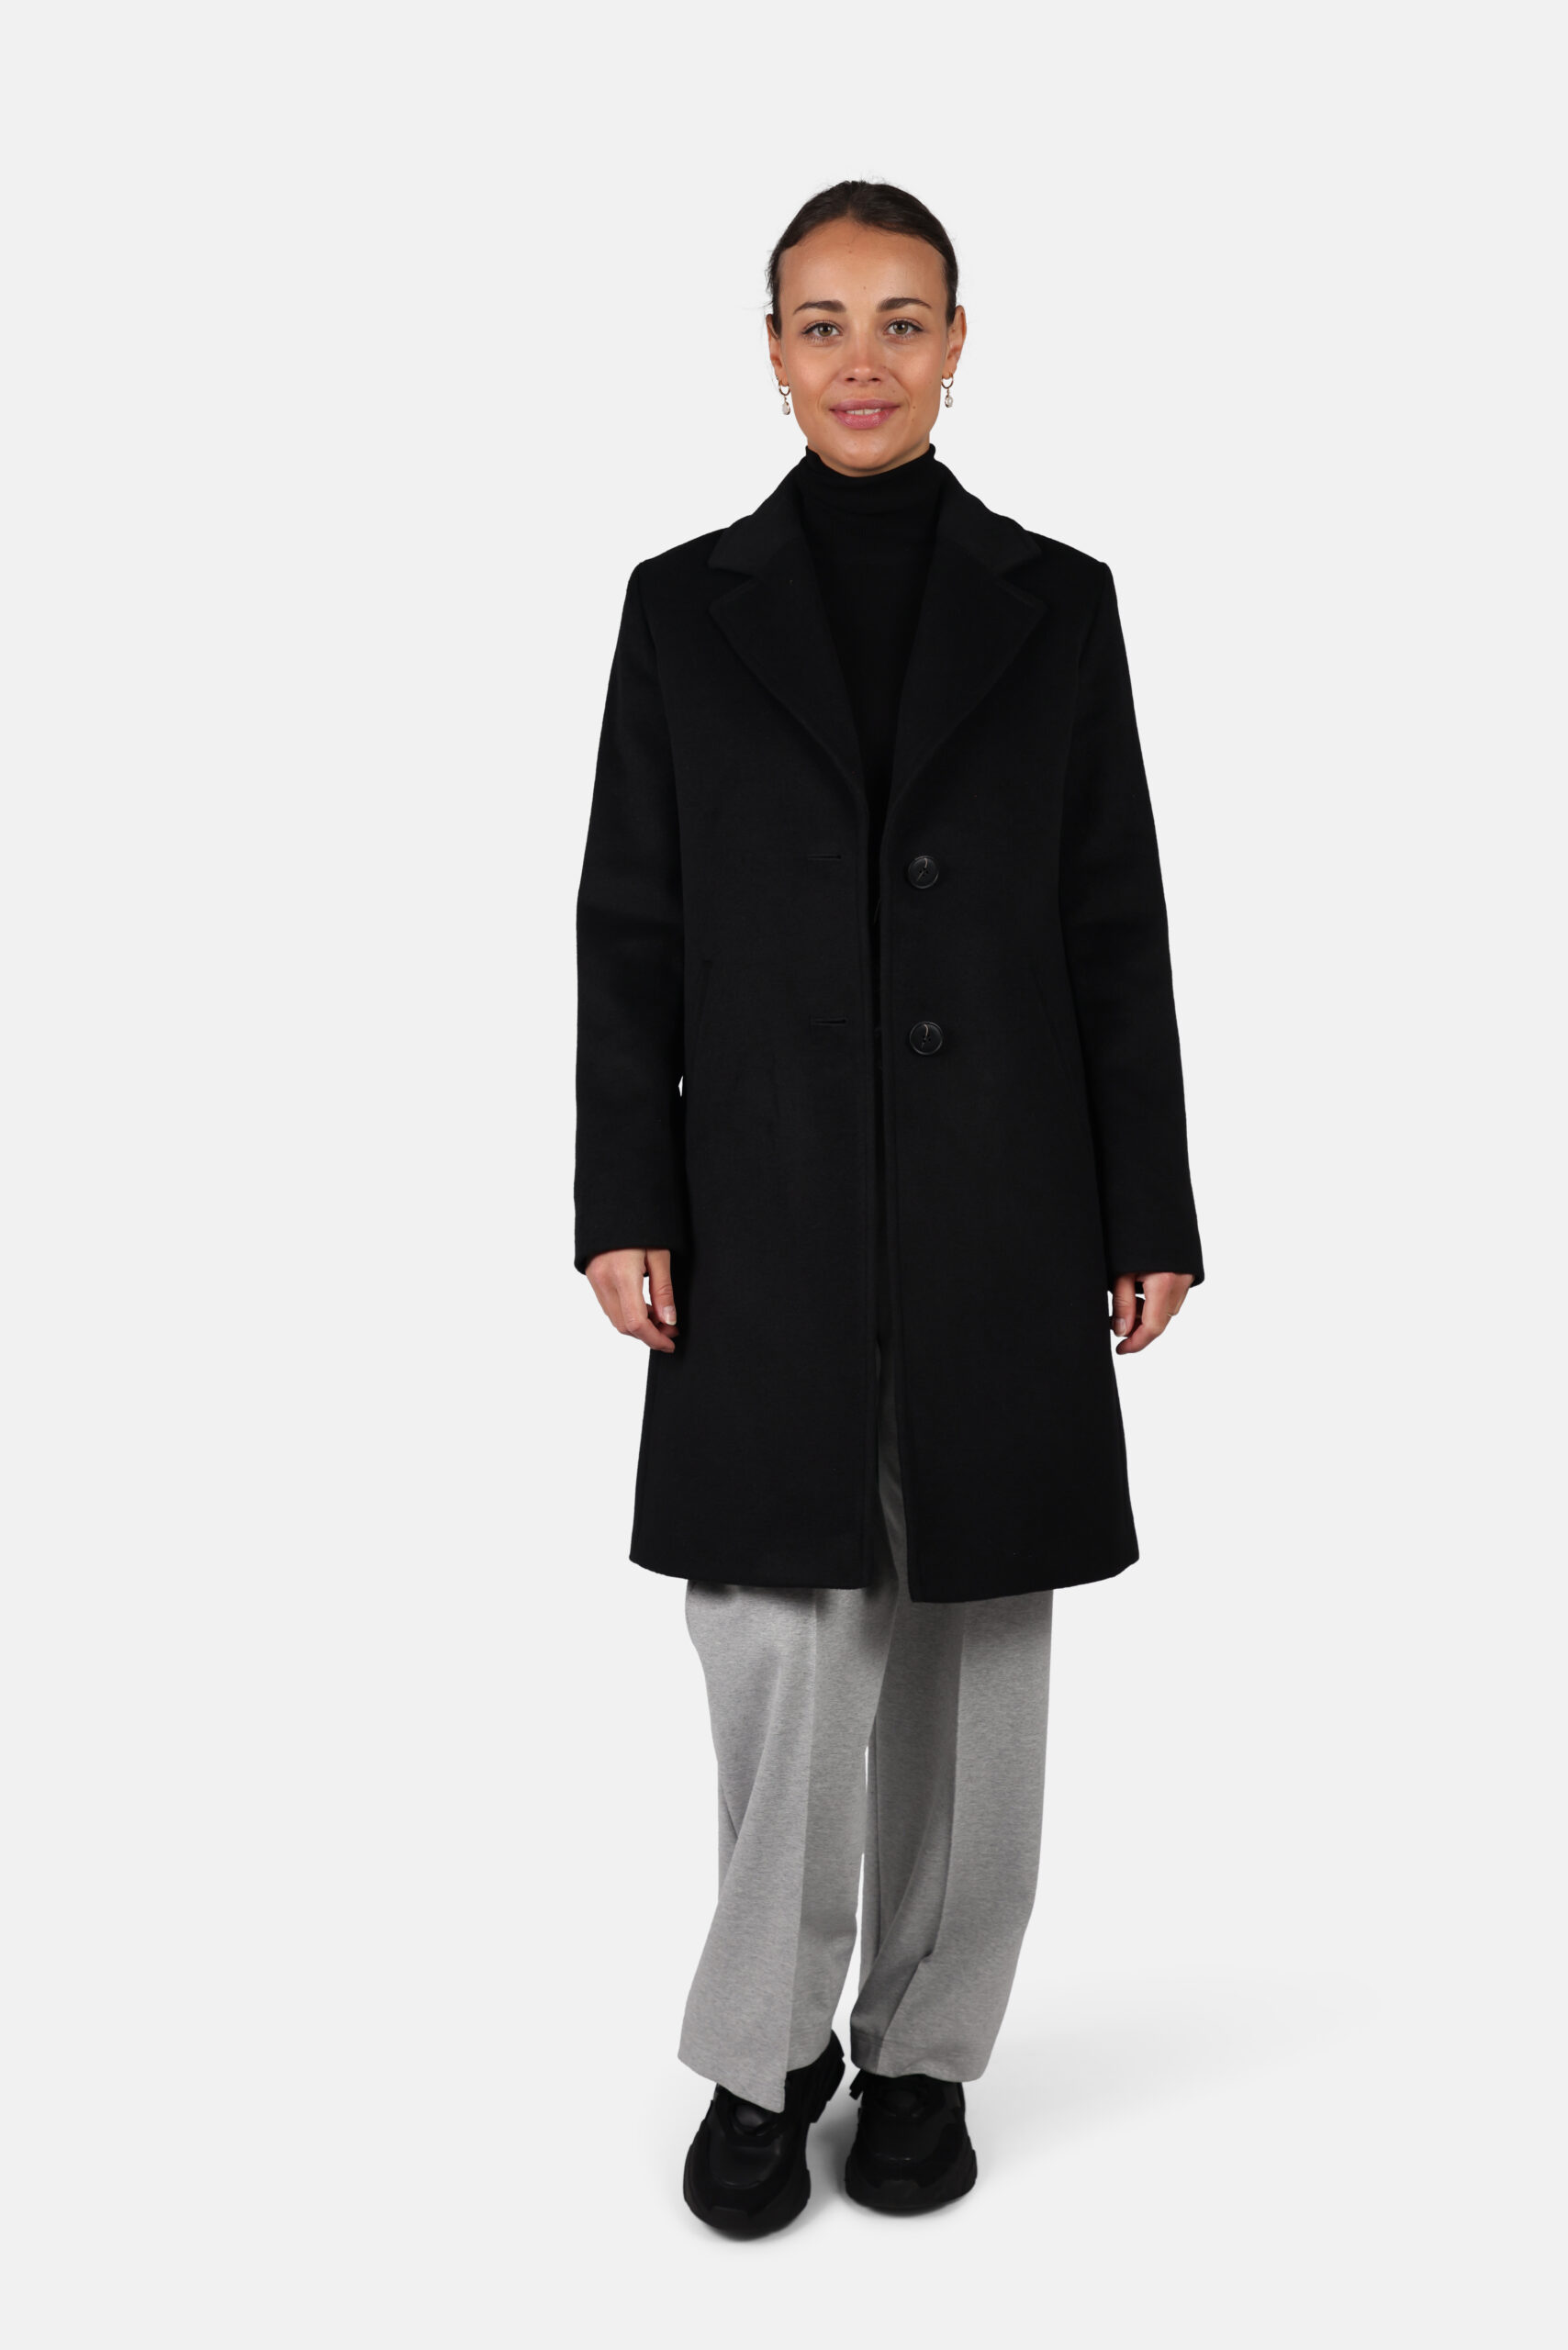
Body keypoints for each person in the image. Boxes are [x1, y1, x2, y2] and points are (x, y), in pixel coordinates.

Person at [573, 180, 1203, 2236]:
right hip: (756, 1211)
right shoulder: (682, 608)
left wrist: (1148, 1203)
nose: (862, 358)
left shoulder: (1058, 603)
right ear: (771, 353)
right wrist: (621, 1195)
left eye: (900, 318)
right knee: (776, 1644)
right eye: (822, 321)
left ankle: (927, 2048)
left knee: (970, 1646)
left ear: (956, 342)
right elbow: (630, 924)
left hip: (1007, 1202)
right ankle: (762, 2054)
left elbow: (1113, 924)